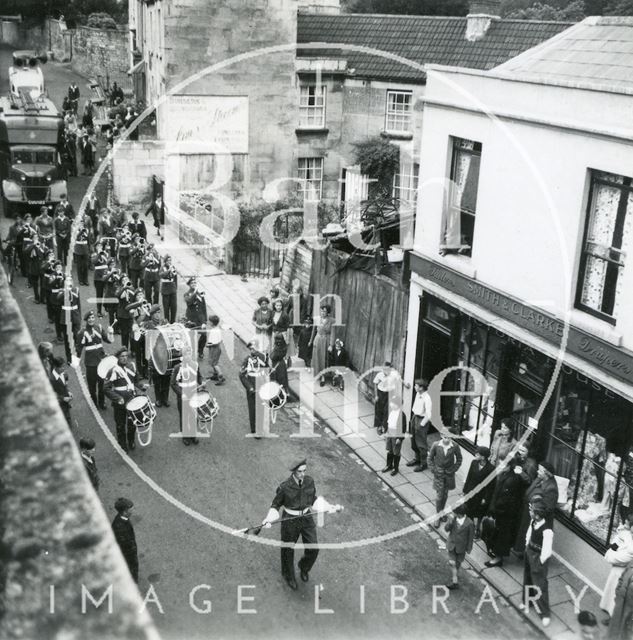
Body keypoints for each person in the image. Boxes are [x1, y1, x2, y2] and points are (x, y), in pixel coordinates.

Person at [261, 459, 319, 590]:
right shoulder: (284, 487)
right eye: (299, 471)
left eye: (304, 471)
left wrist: (328, 506)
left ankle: (304, 567)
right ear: (294, 471)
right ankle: (288, 575)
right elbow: (275, 505)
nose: (303, 474)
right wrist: (268, 519)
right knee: (288, 549)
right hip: (290, 519)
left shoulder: (309, 481)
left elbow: (313, 498)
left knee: (314, 547)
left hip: (306, 517)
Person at [485, 454, 529, 568]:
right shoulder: (506, 475)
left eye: (502, 464)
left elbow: (504, 499)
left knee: (501, 537)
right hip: (503, 512)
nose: (500, 466)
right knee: (498, 535)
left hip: (504, 514)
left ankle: (498, 559)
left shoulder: (511, 480)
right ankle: (496, 555)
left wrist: (495, 511)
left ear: (509, 466)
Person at [104, 348, 148, 452]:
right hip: (120, 402)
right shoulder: (113, 370)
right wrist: (117, 398)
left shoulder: (132, 366)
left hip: (132, 399)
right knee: (120, 424)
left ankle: (131, 441)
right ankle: (122, 443)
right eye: (122, 356)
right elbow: (105, 388)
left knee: (132, 422)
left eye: (126, 356)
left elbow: (135, 381)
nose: (124, 358)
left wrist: (142, 386)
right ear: (118, 358)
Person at [514, 461, 559, 556]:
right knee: (525, 534)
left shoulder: (551, 488)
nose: (538, 472)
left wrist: (536, 515)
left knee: (533, 539)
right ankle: (524, 552)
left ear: (547, 473)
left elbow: (548, 508)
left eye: (540, 470)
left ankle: (530, 558)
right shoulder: (540, 479)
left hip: (538, 518)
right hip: (530, 512)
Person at [521, 501, 554, 628]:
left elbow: (546, 550)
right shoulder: (533, 522)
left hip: (538, 558)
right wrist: (526, 546)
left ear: (538, 515)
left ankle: (544, 613)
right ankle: (526, 601)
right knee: (527, 578)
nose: (530, 513)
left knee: (540, 584)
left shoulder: (547, 531)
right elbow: (529, 534)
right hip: (529, 552)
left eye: (531, 511)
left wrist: (540, 562)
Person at [76, 310, 114, 410]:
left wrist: (110, 333)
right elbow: (78, 348)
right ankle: (94, 403)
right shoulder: (82, 332)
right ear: (86, 320)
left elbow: (109, 341)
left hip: (101, 361)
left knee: (101, 384)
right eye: (89, 318)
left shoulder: (99, 328)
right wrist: (76, 361)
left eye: (93, 317)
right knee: (92, 386)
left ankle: (102, 402)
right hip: (90, 363)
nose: (91, 320)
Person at [601, 514, 633, 624]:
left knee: (617, 596)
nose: (625, 524)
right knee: (613, 593)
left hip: (623, 573)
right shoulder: (627, 534)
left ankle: (614, 619)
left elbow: (613, 557)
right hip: (619, 571)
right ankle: (611, 613)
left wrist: (611, 551)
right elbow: (616, 542)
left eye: (627, 523)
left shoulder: (631, 548)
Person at [428, 432, 463, 526]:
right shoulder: (436, 445)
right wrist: (434, 470)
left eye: (450, 437)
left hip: (449, 474)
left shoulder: (455, 446)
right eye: (445, 437)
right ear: (442, 436)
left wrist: (453, 470)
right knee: (439, 495)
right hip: (439, 474)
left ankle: (442, 512)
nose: (447, 439)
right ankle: (438, 516)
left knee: (445, 494)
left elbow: (459, 459)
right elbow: (430, 458)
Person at [170, 345, 202, 445]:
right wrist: (181, 393)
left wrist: (201, 383)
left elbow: (199, 377)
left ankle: (193, 434)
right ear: (183, 355)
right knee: (184, 416)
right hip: (183, 395)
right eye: (186, 354)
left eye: (190, 354)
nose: (188, 356)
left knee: (194, 415)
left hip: (193, 394)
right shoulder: (177, 367)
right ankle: (185, 436)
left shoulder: (195, 365)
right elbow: (173, 383)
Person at [462, 446, 496, 538]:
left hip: (481, 495)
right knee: (469, 511)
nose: (475, 455)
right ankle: (471, 527)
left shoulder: (491, 469)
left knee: (480, 513)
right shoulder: (474, 463)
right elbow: (469, 477)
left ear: (483, 457)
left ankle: (477, 529)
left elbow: (491, 486)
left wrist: (486, 498)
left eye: (478, 454)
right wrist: (465, 490)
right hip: (471, 492)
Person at [143, 304, 171, 407]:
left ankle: (165, 398)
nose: (159, 315)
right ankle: (159, 399)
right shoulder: (149, 324)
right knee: (157, 377)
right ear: (152, 314)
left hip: (164, 353)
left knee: (166, 376)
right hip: (154, 354)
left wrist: (168, 327)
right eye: (156, 313)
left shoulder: (165, 322)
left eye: (159, 312)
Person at [239, 339, 268, 435]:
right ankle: (253, 428)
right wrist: (249, 387)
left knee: (261, 409)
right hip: (251, 387)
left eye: (254, 349)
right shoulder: (247, 360)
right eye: (251, 349)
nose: (252, 351)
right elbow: (241, 375)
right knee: (252, 409)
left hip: (261, 387)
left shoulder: (263, 357)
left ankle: (259, 430)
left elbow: (267, 371)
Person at [445, 503, 475, 590]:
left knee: (456, 565)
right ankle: (454, 581)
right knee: (452, 563)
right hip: (452, 545)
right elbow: (446, 529)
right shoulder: (453, 520)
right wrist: (450, 522)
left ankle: (454, 580)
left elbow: (470, 537)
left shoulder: (469, 523)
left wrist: (469, 548)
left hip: (461, 548)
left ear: (459, 514)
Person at [111, 498, 138, 583]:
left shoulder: (122, 519)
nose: (133, 510)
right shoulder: (119, 527)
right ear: (125, 511)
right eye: (131, 509)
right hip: (127, 554)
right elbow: (124, 544)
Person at [408, 378, 432, 471]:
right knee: (413, 440)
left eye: (416, 386)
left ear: (421, 388)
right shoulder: (418, 394)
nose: (414, 387)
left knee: (421, 443)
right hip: (415, 417)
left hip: (422, 420)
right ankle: (416, 459)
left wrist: (422, 424)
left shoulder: (427, 398)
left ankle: (423, 463)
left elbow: (429, 414)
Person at [57, 276, 81, 364]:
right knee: (67, 340)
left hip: (75, 316)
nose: (69, 281)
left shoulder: (76, 290)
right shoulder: (61, 290)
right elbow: (58, 299)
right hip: (65, 318)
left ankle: (75, 356)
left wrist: (79, 318)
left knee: (76, 337)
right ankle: (69, 358)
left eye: (71, 279)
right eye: (67, 280)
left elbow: (78, 305)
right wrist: (66, 290)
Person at [309, 304, 336, 385]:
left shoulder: (332, 321)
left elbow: (333, 333)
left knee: (323, 359)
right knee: (316, 358)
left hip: (325, 341)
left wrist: (331, 345)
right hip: (317, 339)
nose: (322, 313)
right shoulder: (317, 319)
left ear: (328, 312)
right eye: (321, 311)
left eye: (324, 311)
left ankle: (323, 376)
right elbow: (313, 331)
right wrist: (311, 341)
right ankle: (316, 374)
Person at [381, 399, 407, 476]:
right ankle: (389, 465)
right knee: (390, 450)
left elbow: (403, 428)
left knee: (396, 452)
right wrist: (385, 430)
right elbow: (387, 421)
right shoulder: (391, 412)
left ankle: (395, 468)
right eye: (391, 403)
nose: (391, 405)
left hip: (396, 435)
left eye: (394, 404)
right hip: (389, 433)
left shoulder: (402, 415)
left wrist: (400, 438)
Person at [608, 559, 633, 640]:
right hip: (621, 600)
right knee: (615, 623)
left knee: (627, 628)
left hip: (631, 606)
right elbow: (622, 577)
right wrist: (618, 591)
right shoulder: (632, 563)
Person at [372, 362, 400, 435]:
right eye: (384, 369)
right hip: (380, 393)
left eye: (387, 370)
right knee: (378, 410)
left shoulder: (394, 375)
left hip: (390, 394)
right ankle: (379, 426)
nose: (385, 371)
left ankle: (384, 426)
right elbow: (375, 384)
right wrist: (376, 395)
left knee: (387, 410)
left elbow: (398, 383)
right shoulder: (379, 375)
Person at [184, 277, 207, 359]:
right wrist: (194, 293)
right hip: (191, 318)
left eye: (195, 283)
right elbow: (189, 302)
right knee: (192, 336)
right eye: (192, 283)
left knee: (204, 335)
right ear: (189, 285)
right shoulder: (187, 294)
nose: (194, 284)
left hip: (200, 318)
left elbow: (203, 307)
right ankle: (192, 351)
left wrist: (205, 321)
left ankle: (200, 350)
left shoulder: (199, 293)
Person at [50, 356, 72, 426]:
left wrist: (68, 392)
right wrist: (62, 398)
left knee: (66, 410)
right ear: (55, 367)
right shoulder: (52, 379)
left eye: (64, 366)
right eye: (61, 367)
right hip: (59, 400)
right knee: (64, 414)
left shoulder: (63, 373)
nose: (63, 369)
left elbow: (65, 383)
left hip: (65, 395)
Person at [206, 314, 226, 385]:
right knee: (213, 362)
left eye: (209, 321)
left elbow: (215, 343)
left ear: (212, 323)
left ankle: (221, 376)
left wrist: (208, 345)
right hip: (215, 348)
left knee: (214, 364)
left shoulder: (214, 331)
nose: (208, 322)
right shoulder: (216, 329)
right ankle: (215, 375)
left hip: (215, 349)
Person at [73, 217, 92, 286]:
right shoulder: (75, 229)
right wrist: (81, 231)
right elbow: (77, 237)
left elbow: (88, 239)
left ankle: (85, 280)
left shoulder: (86, 230)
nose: (81, 224)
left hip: (85, 248)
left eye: (82, 223)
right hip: (78, 248)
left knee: (85, 265)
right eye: (80, 223)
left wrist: (89, 248)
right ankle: (80, 280)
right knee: (79, 266)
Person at [160, 255, 178, 323]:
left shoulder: (173, 267)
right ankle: (166, 321)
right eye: (168, 260)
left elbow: (175, 278)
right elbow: (161, 275)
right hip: (165, 290)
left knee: (174, 307)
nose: (169, 262)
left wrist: (175, 288)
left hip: (172, 289)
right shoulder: (162, 268)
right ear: (165, 261)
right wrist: (168, 270)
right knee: (166, 308)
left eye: (170, 260)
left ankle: (173, 321)